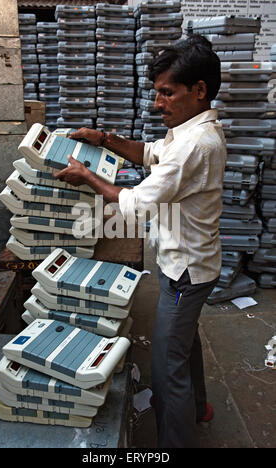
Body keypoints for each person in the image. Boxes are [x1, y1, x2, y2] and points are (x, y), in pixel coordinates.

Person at [54, 34, 227, 448]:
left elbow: (136, 202)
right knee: (184, 343)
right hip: (187, 263)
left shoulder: (195, 145)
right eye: (156, 93)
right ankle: (200, 407)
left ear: (199, 90)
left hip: (186, 271)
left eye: (167, 93)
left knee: (167, 369)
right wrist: (105, 139)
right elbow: (149, 152)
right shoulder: (186, 132)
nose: (157, 103)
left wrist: (87, 176)